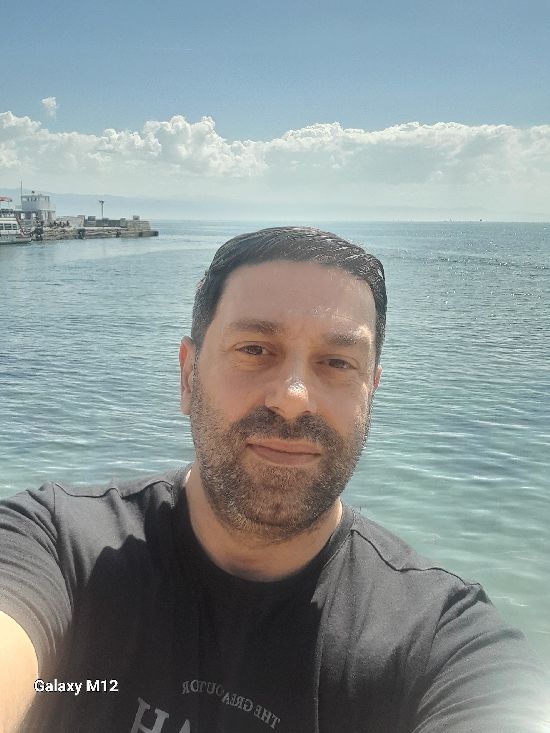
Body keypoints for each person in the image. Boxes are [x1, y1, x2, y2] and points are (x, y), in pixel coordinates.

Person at [0, 227, 547, 733]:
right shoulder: (56, 545)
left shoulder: (438, 639)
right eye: (255, 350)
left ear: (371, 392)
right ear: (188, 376)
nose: (292, 399)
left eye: (337, 362)